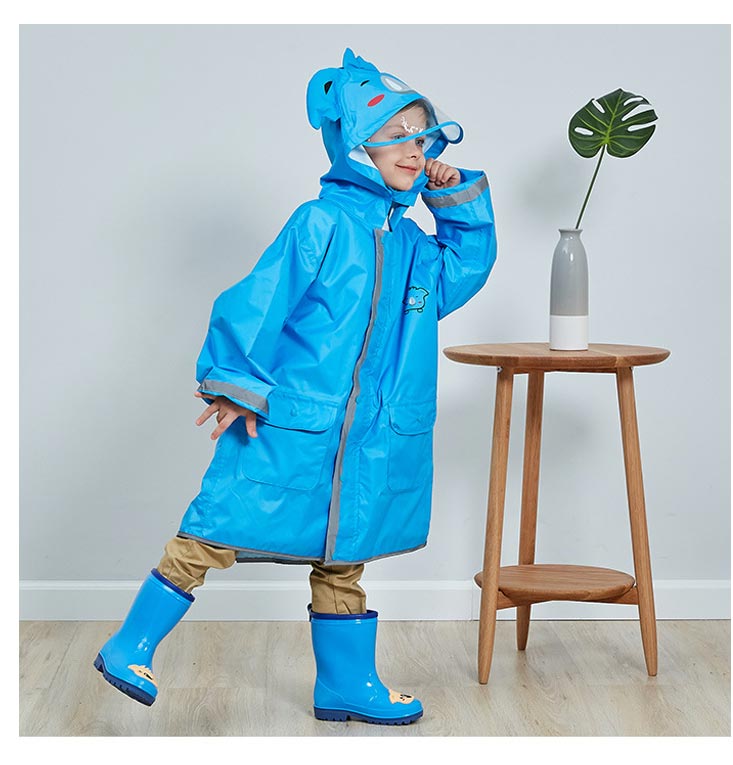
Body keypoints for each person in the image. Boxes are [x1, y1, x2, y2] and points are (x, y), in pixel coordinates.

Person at [94, 48, 497, 726]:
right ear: (357, 144)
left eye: (423, 136)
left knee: (344, 557)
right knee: (215, 527)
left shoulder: (414, 246)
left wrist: (453, 198)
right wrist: (233, 381)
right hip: (294, 422)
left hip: (371, 434)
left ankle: (345, 684)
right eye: (396, 134)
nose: (415, 148)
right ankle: (129, 644)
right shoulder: (321, 223)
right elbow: (260, 299)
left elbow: (465, 267)